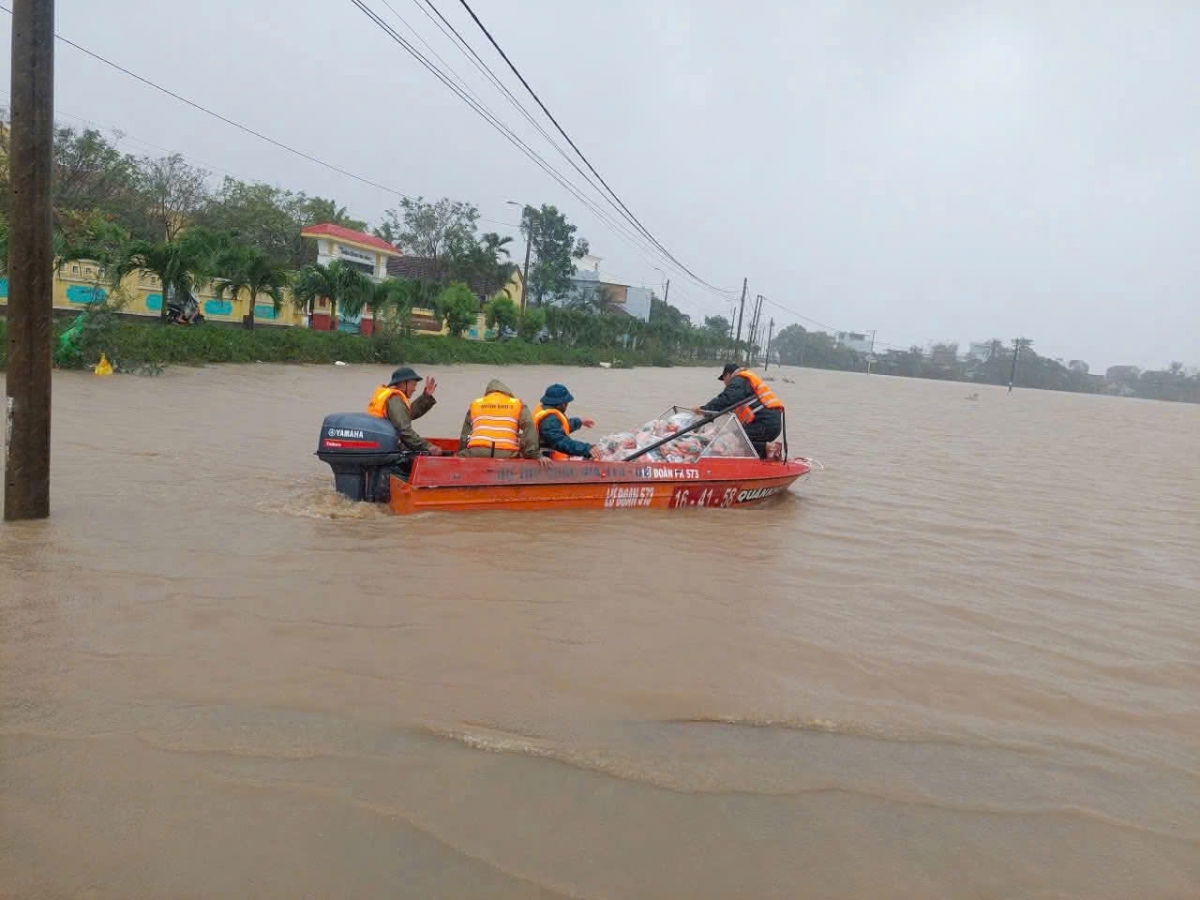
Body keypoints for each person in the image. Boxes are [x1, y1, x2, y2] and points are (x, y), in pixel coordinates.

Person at [697, 363, 784, 457]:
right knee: (734, 436)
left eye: (724, 380)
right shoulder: (744, 381)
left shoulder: (739, 380)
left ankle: (771, 448)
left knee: (732, 439)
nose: (725, 383)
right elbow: (728, 409)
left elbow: (727, 399)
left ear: (727, 375)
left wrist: (705, 410)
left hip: (765, 424)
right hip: (766, 423)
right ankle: (768, 452)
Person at [366, 365, 445, 455]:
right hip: (386, 449)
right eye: (413, 385)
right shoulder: (394, 399)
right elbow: (404, 431)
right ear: (403, 383)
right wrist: (428, 447)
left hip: (382, 444)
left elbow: (407, 414)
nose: (415, 389)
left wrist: (426, 396)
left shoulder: (392, 397)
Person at [459, 378, 543, 460]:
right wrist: (533, 454)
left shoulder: (476, 403)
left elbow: (465, 433)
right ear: (506, 391)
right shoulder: (517, 403)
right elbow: (529, 427)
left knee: (458, 455)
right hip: (508, 453)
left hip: (477, 452)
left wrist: (461, 451)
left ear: (488, 392)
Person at [533, 384, 599, 460]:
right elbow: (560, 441)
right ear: (562, 404)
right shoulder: (549, 419)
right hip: (548, 461)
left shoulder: (544, 410)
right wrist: (587, 449)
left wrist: (579, 422)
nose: (567, 405)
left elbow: (559, 427)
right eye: (566, 403)